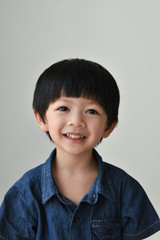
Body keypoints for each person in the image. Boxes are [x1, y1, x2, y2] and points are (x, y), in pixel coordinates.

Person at [0, 59, 160, 240]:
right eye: (63, 108)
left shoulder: (125, 189)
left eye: (91, 111)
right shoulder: (25, 194)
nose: (76, 121)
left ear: (109, 126)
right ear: (41, 118)